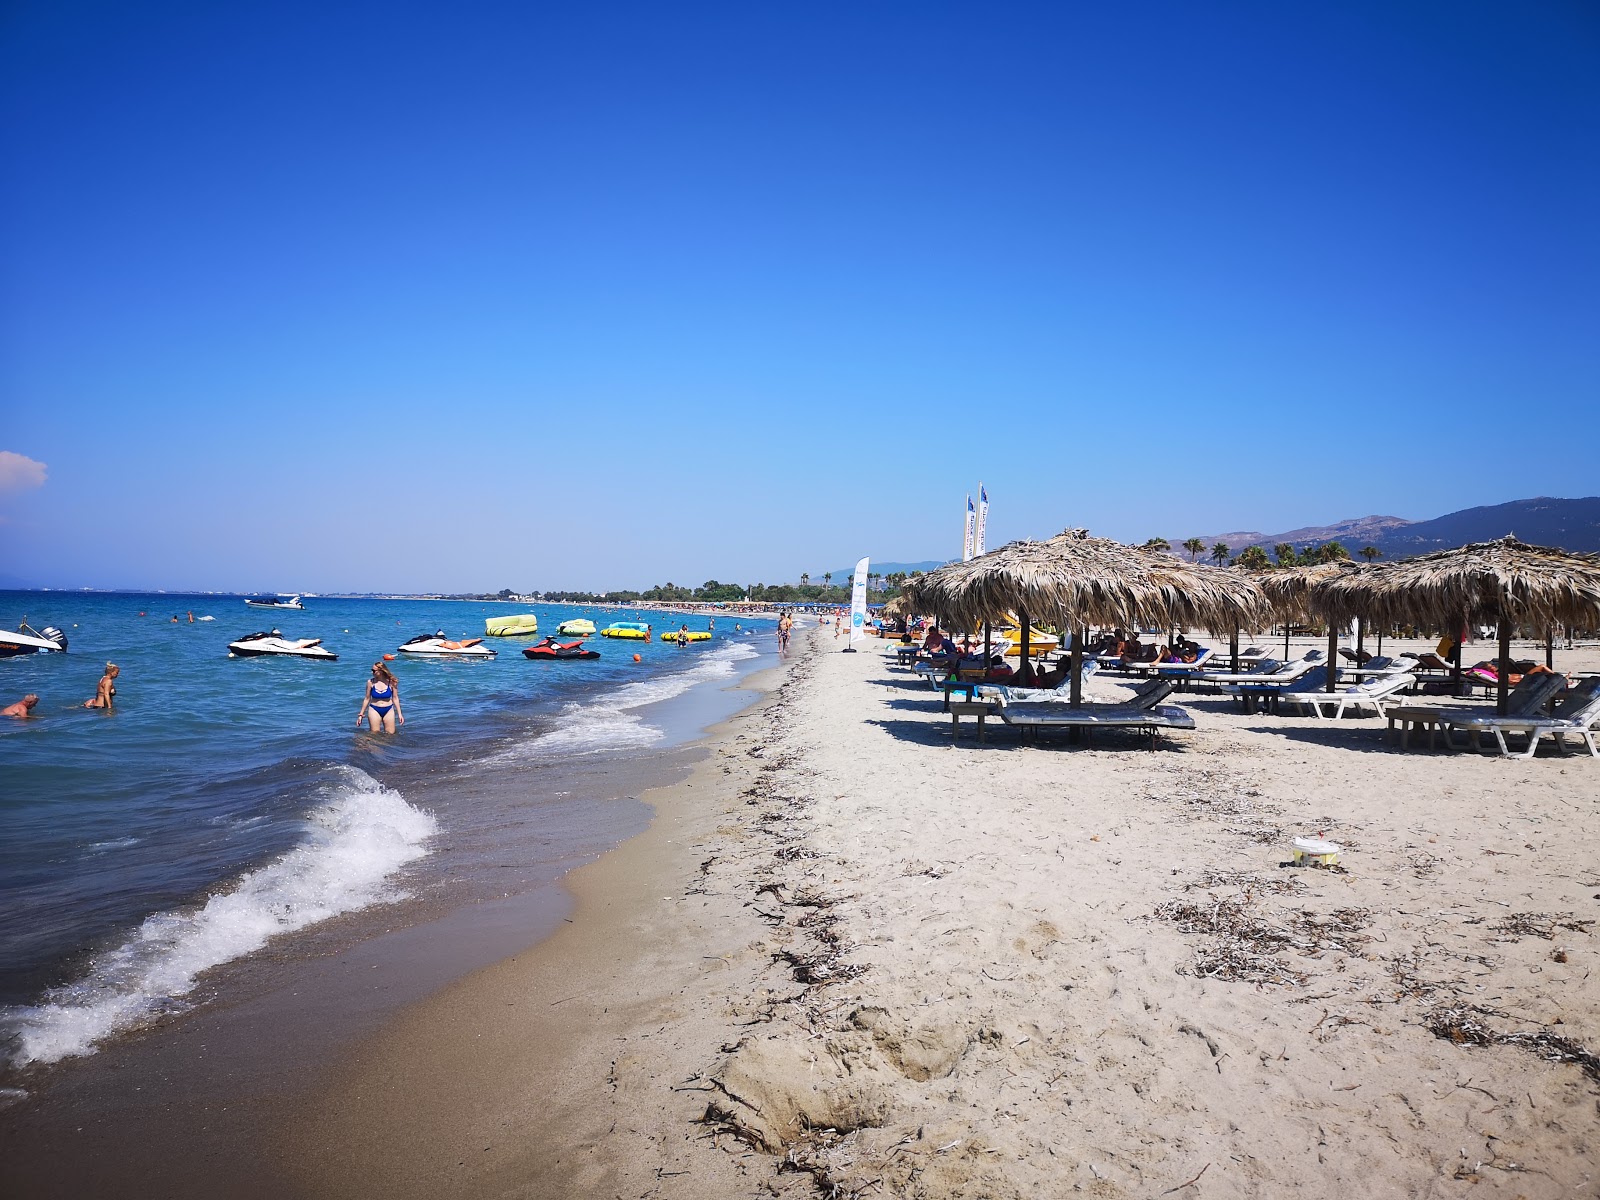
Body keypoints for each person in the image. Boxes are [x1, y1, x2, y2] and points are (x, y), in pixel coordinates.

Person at [357, 662, 404, 733]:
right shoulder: (370, 682)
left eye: (373, 671)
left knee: (390, 734)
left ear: (381, 671)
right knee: (375, 734)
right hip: (374, 709)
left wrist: (400, 714)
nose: (371, 672)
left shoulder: (392, 682)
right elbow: (367, 698)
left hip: (388, 709)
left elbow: (395, 698)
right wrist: (361, 715)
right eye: (372, 670)